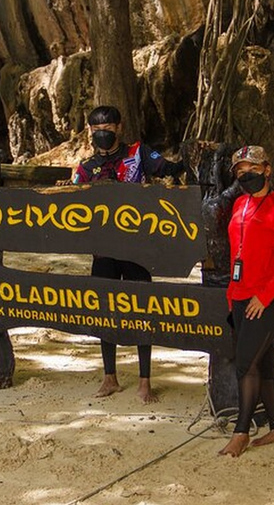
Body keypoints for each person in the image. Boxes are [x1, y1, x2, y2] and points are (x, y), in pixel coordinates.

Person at [73, 105, 185, 404]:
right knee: (104, 311)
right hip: (102, 251)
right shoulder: (85, 168)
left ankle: (145, 381)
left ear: (119, 127)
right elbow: (71, 204)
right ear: (89, 131)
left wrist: (189, 158)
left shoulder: (138, 154)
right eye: (97, 129)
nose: (102, 134)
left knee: (141, 311)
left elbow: (169, 170)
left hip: (137, 249)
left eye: (108, 128)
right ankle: (109, 377)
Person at [218, 145, 274, 457]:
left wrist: (264, 296)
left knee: (246, 363)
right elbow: (237, 252)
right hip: (240, 295)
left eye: (252, 168)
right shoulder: (239, 204)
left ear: (267, 169)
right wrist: (232, 291)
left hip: (271, 297)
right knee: (264, 364)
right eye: (240, 170)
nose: (246, 174)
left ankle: (240, 432)